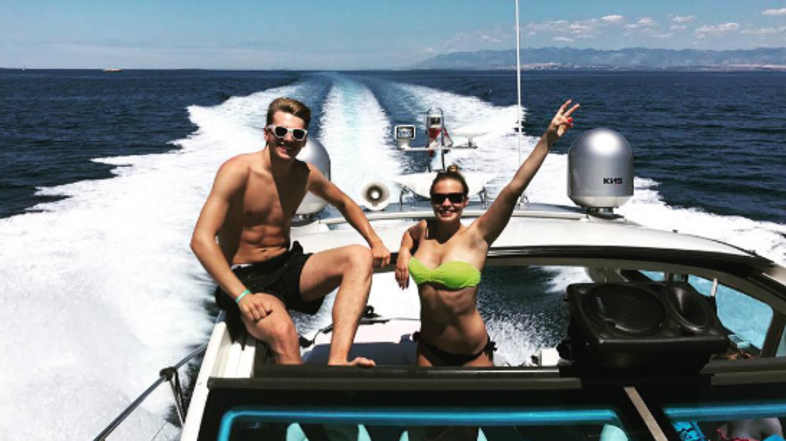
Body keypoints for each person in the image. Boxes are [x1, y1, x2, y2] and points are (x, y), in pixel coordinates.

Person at [191, 97, 390, 367]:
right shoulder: (237, 171)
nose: (288, 139)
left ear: (304, 140)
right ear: (267, 133)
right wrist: (241, 295)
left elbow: (344, 202)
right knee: (284, 333)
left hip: (286, 266)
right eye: (281, 131)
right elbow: (201, 240)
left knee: (359, 256)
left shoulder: (305, 174)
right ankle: (301, 391)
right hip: (246, 278)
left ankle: (337, 361)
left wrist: (375, 242)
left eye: (297, 134)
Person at [395, 99, 580, 367]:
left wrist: (548, 139)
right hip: (428, 350)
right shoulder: (423, 229)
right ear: (431, 201)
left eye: (454, 198)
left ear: (465, 201)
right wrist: (403, 253)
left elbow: (513, 189)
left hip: (471, 355)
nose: (447, 204)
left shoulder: (478, 236)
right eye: (439, 198)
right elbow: (408, 236)